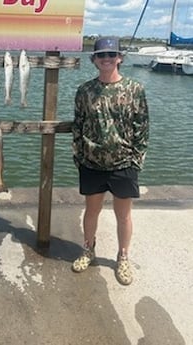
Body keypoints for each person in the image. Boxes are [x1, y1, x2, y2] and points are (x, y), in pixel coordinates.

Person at [71, 36, 149, 285]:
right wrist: (79, 155)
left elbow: (142, 126)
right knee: (91, 211)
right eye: (101, 55)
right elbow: (78, 125)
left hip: (123, 163)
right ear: (94, 60)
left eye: (111, 54)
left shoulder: (135, 89)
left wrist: (137, 158)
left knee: (123, 215)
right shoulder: (84, 90)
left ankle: (123, 257)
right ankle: (88, 249)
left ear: (120, 58)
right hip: (92, 163)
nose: (106, 59)